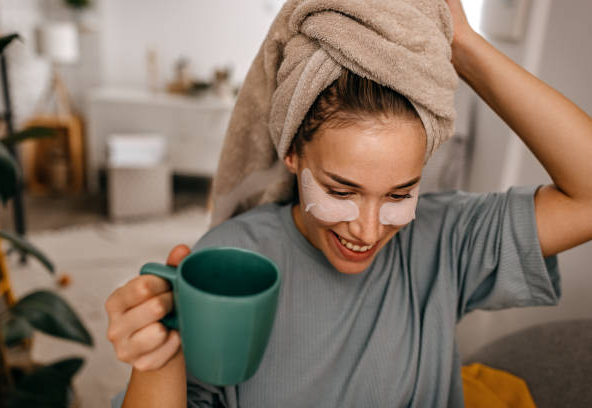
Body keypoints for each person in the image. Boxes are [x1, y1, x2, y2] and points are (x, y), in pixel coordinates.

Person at [105, 0, 592, 406]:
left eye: (400, 194)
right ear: (293, 153)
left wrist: (460, 41)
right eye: (341, 191)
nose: (368, 229)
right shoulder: (229, 260)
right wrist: (156, 357)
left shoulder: (446, 241)